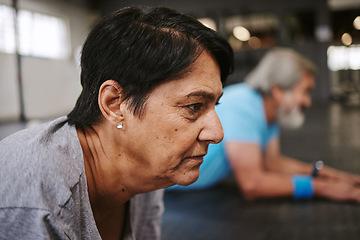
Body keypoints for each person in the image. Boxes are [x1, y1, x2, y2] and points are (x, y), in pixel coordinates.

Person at [0, 6, 233, 240]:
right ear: (115, 104)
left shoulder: (145, 171)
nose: (217, 133)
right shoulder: (35, 196)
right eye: (193, 106)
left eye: (215, 105)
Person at [169, 47, 360, 203]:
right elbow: (252, 184)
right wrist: (322, 187)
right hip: (172, 198)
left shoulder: (270, 111)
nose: (308, 102)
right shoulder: (243, 105)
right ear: (278, 91)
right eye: (305, 91)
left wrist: (329, 175)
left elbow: (273, 163)